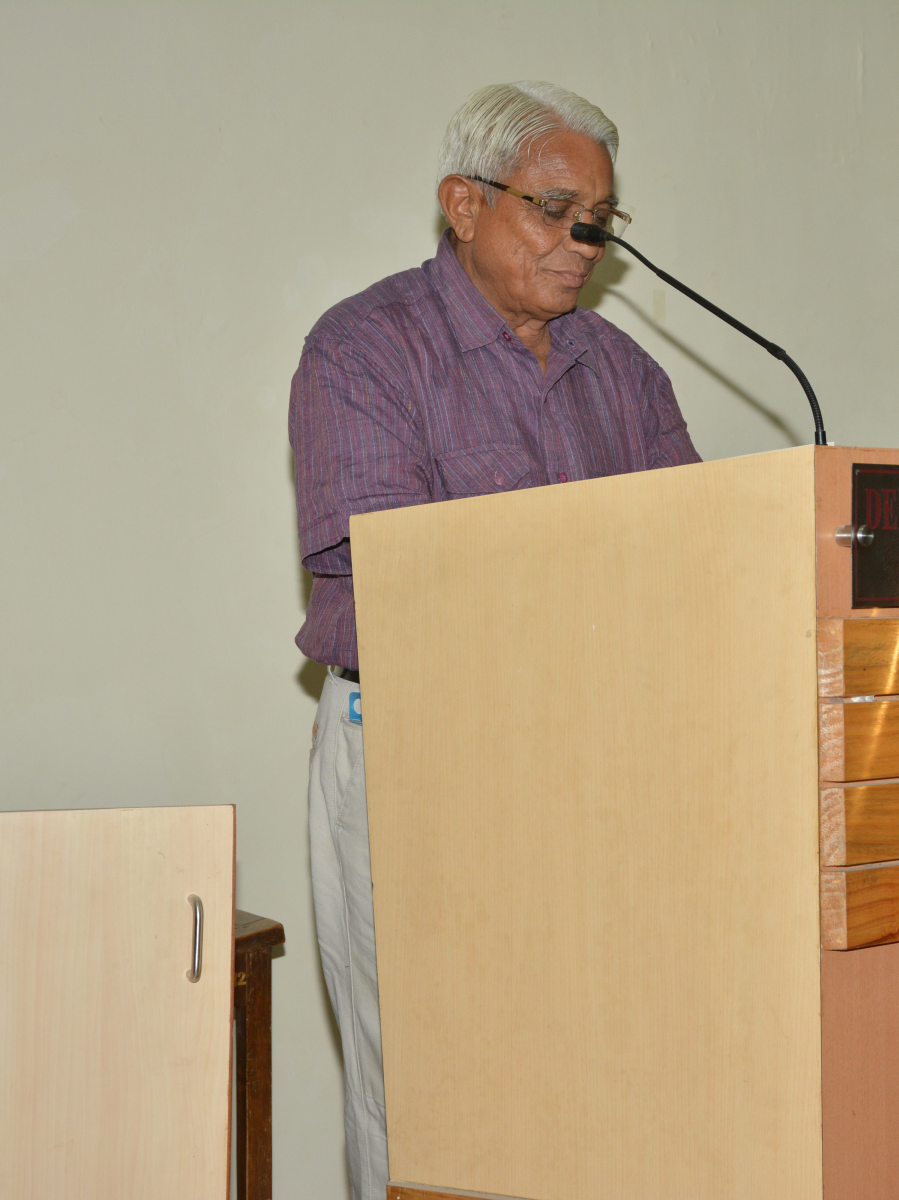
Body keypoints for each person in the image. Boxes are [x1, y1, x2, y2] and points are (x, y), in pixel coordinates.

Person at [288, 82, 700, 1199]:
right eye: (555, 209)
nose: (583, 242)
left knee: (586, 1062)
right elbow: (395, 570)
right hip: (422, 745)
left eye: (599, 220)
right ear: (463, 204)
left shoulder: (625, 373)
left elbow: (698, 559)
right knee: (428, 1082)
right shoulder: (365, 350)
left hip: (604, 758)